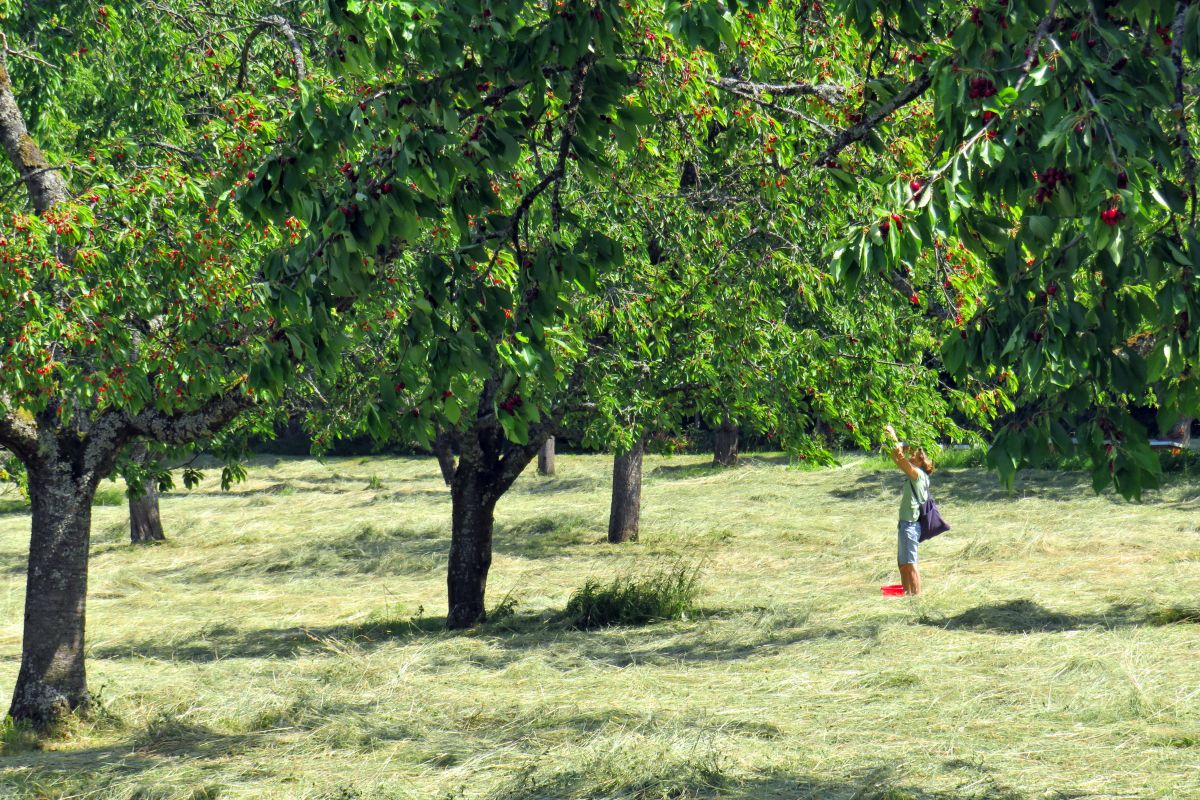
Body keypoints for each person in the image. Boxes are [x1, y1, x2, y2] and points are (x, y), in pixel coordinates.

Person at [883, 423, 934, 595]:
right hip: (906, 524)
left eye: (913, 456)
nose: (910, 457)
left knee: (910, 564)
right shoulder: (917, 474)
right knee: (903, 564)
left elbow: (899, 457)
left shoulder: (917, 474)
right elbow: (897, 457)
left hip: (910, 525)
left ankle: (916, 599)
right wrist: (902, 445)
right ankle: (907, 596)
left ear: (921, 461)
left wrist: (893, 436)